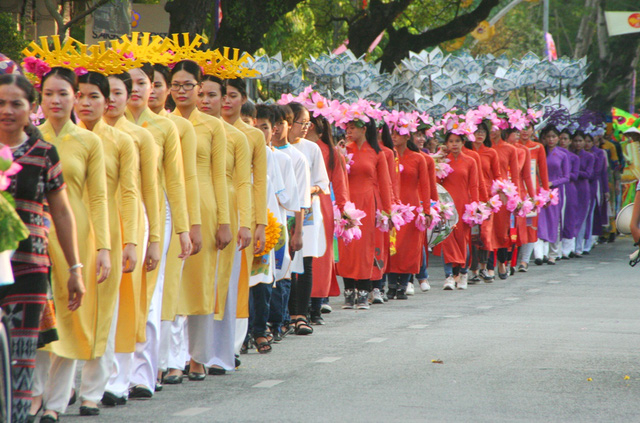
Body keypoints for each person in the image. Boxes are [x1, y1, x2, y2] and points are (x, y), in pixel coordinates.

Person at [0, 73, 84, 423]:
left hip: (30, 267)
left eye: (16, 103)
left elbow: (62, 212)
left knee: (22, 357)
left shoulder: (44, 153)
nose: (7, 110)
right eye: (1, 103)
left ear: (31, 108)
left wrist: (75, 269)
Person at [32, 67, 111, 422]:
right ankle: (33, 394)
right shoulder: (29, 138)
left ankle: (55, 402)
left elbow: (98, 199)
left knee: (68, 319)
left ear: (75, 97)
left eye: (64, 93)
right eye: (49, 93)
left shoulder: (89, 142)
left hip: (75, 239)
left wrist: (104, 248)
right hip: (34, 238)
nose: (56, 101)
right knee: (38, 319)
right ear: (40, 98)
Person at [71, 71, 138, 415]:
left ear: (106, 101)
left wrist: (132, 241)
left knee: (103, 313)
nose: (85, 102)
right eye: (79, 95)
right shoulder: (57, 139)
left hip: (108, 232)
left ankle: (92, 391)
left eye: (94, 96)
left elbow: (129, 193)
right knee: (65, 312)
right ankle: (59, 387)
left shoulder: (121, 141)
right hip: (66, 233)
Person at [125, 63, 191, 399]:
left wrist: (182, 228)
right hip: (117, 214)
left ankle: (144, 373)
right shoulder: (108, 125)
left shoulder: (166, 128)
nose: (136, 90)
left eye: (143, 83)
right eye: (130, 84)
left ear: (154, 88)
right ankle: (115, 372)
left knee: (152, 290)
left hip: (156, 215)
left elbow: (176, 182)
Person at [102, 71, 160, 406]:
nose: (109, 99)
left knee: (125, 303)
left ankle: (119, 380)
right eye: (100, 93)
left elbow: (150, 191)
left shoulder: (139, 138)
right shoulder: (82, 135)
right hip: (90, 226)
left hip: (128, 224)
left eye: (116, 92)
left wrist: (152, 237)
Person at [147, 63, 201, 387]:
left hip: (167, 212)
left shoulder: (177, 127)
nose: (150, 91)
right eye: (144, 84)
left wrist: (189, 224)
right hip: (136, 211)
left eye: (156, 84)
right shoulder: (122, 126)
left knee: (167, 287)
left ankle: (169, 359)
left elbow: (186, 179)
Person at [336, 119, 392, 308]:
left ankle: (363, 292)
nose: (348, 131)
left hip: (368, 204)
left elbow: (385, 184)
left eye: (353, 127)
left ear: (364, 129)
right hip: (347, 202)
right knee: (347, 247)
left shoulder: (377, 153)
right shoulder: (343, 150)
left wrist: (388, 212)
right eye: (347, 127)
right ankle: (349, 291)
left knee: (365, 247)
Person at [286, 102, 329, 333]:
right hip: (284, 212)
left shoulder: (311, 149)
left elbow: (323, 185)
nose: (306, 128)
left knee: (306, 262)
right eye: (301, 123)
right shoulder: (275, 148)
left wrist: (304, 190)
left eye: (308, 123)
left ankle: (301, 314)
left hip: (308, 213)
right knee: (286, 263)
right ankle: (286, 314)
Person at [307, 114, 349, 323]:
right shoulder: (332, 152)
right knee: (320, 258)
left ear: (310, 125)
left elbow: (339, 186)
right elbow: (341, 190)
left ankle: (307, 307)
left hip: (312, 207)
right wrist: (344, 211)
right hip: (323, 209)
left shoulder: (324, 151)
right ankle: (315, 306)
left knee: (309, 257)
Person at [386, 124, 432, 298]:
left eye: (398, 134)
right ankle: (391, 285)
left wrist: (427, 211)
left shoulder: (418, 158)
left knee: (409, 247)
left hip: (411, 207)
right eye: (392, 134)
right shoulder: (388, 155)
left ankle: (404, 285)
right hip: (393, 205)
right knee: (393, 245)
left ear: (407, 137)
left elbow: (426, 186)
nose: (394, 137)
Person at [435, 132, 479, 290]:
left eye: (457, 141)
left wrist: (475, 207)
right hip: (447, 206)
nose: (454, 144)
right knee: (446, 239)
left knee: (462, 240)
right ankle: (448, 276)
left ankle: (463, 272)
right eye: (451, 141)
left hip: (463, 205)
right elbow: (436, 183)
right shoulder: (442, 161)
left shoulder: (471, 161)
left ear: (463, 142)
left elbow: (474, 186)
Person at [467, 123, 502, 281]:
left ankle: (484, 266)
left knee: (485, 234)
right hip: (469, 196)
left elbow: (497, 175)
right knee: (473, 234)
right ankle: (473, 270)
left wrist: (502, 191)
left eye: (482, 132)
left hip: (487, 198)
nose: (479, 134)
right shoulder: (465, 152)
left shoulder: (491, 153)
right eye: (476, 131)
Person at [517, 123, 549, 270]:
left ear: (533, 130)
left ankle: (524, 260)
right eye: (522, 127)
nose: (525, 131)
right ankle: (511, 260)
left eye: (528, 127)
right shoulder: (513, 146)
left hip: (532, 190)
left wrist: (546, 193)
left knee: (530, 225)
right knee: (515, 225)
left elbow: (543, 171)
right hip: (516, 190)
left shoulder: (538, 147)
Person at [489, 126, 520, 279]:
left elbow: (515, 176)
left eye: (495, 128)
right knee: (486, 230)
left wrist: (516, 197)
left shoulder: (509, 149)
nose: (491, 132)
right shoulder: (483, 148)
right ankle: (487, 266)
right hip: (485, 192)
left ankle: (502, 261)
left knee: (502, 230)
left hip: (503, 194)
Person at [537, 125, 570, 264]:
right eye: (548, 137)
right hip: (539, 191)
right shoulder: (539, 152)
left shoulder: (562, 154)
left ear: (558, 138)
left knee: (555, 221)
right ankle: (540, 254)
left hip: (555, 192)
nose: (550, 139)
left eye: (553, 137)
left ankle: (553, 253)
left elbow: (567, 177)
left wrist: (552, 183)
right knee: (539, 222)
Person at [572, 130, 595, 257]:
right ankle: (569, 246)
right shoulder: (568, 155)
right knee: (571, 217)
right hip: (571, 187)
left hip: (583, 189)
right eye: (575, 140)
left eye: (580, 141)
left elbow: (588, 174)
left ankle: (579, 247)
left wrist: (574, 172)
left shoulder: (590, 156)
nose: (578, 143)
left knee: (582, 218)